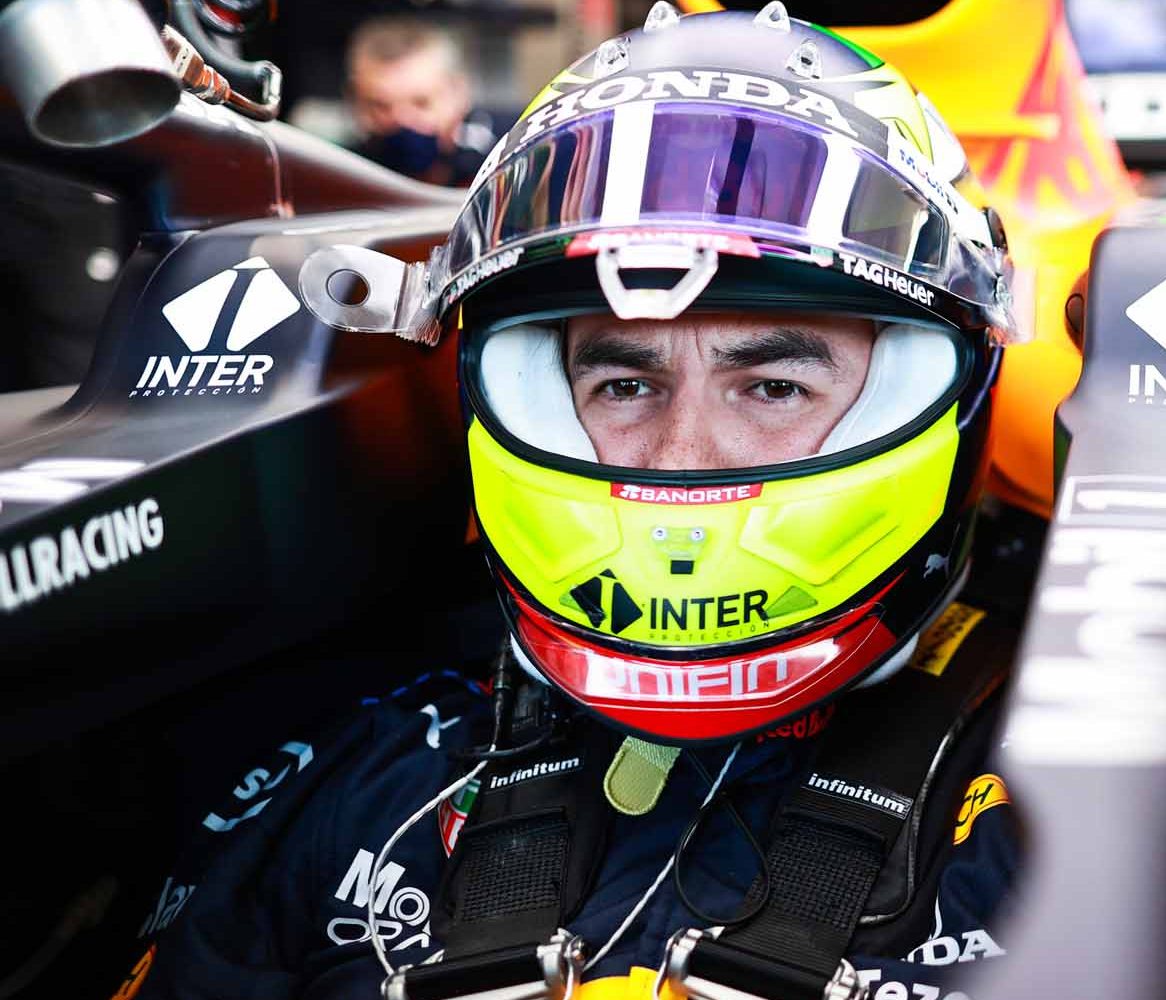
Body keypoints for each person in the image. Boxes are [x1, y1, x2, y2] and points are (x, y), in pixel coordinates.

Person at [125, 7, 1026, 999]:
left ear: (943, 396)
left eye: (773, 387)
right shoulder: (369, 773)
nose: (684, 457)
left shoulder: (1061, 821)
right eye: (624, 384)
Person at [344, 17, 498, 186]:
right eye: (381, 106)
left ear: (458, 93)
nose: (402, 120)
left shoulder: (505, 158)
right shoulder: (348, 170)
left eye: (421, 103)